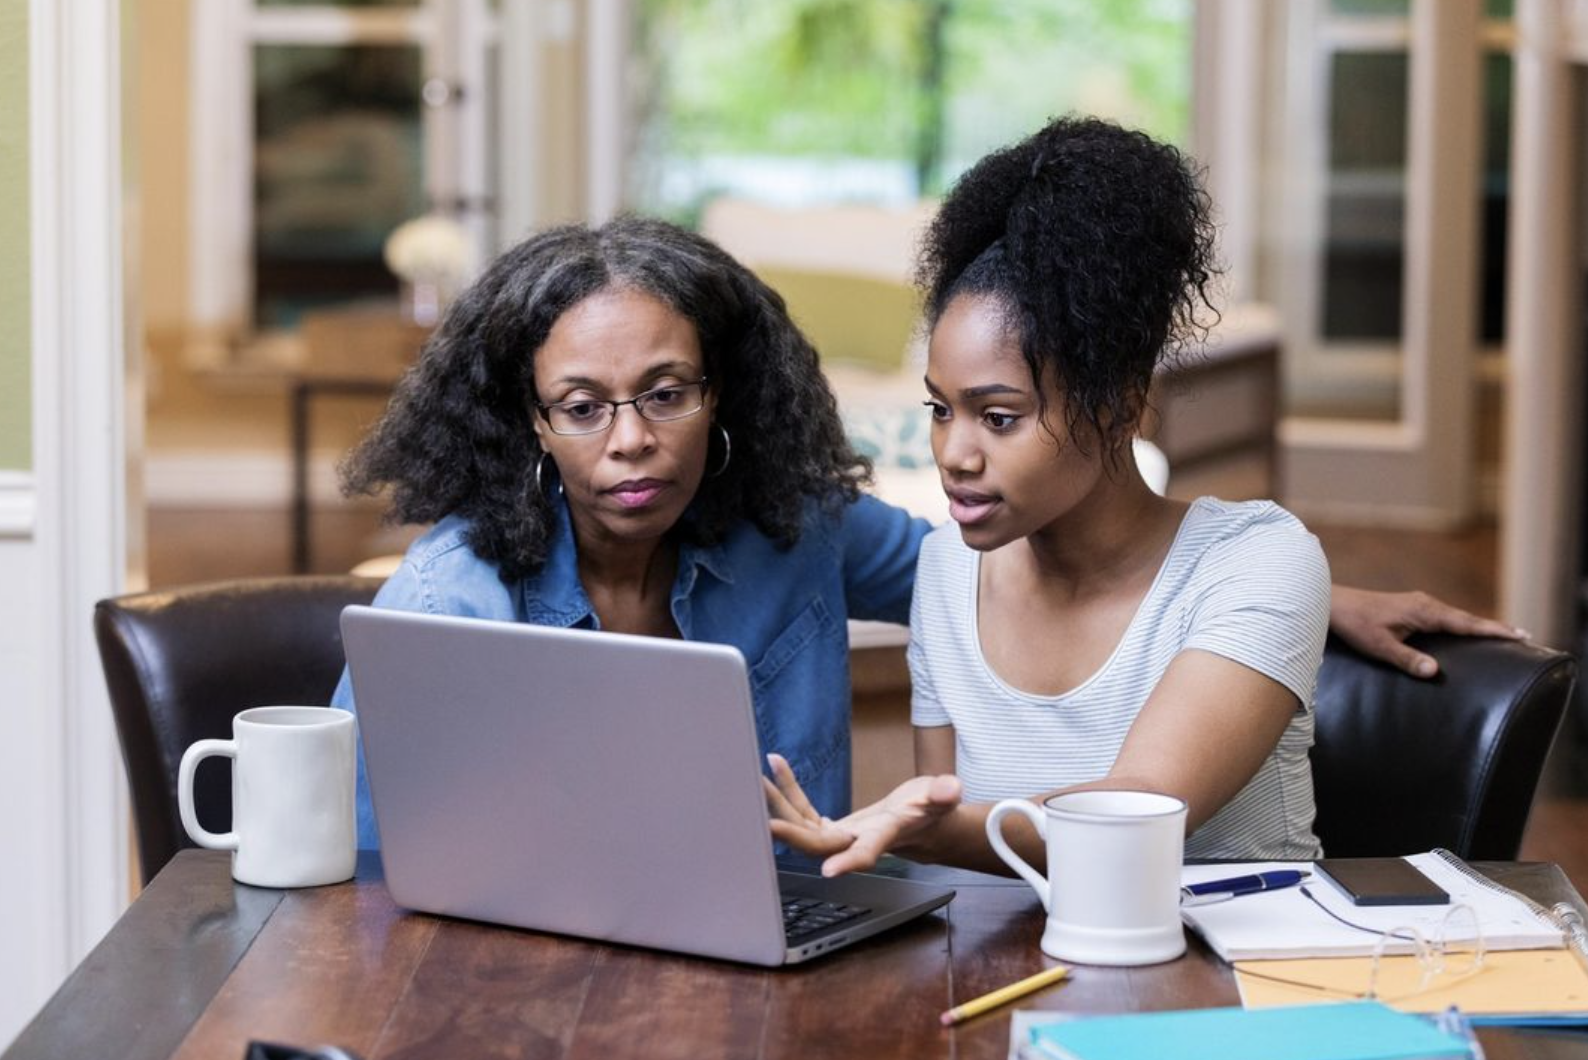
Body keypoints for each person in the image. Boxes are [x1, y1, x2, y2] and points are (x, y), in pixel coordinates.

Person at [332, 214, 1519, 851]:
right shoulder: (452, 600)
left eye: (668, 391)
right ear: (531, 423)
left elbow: (1018, 558)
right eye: (583, 408)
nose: (630, 440)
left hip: (804, 952)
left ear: (721, 395)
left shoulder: (792, 529)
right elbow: (365, 861)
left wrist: (1307, 594)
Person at [764, 117, 1515, 875]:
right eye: (939, 410)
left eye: (999, 418)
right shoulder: (946, 571)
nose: (954, 454)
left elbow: (1147, 808)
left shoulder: (1258, 562)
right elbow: (961, 872)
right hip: (1020, 980)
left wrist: (916, 830)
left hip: (1241, 981)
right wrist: (925, 833)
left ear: (1121, 404)